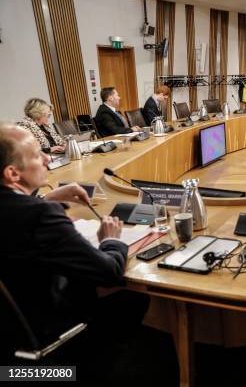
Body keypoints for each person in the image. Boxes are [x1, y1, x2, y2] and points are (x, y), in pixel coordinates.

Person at [0, 123, 178, 384]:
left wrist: (45, 200)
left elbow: (14, 216)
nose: (48, 158)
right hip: (44, 346)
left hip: (7, 345)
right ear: (13, 173)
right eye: (38, 155)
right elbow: (110, 273)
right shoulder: (40, 217)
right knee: (131, 298)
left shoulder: (31, 210)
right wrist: (111, 241)